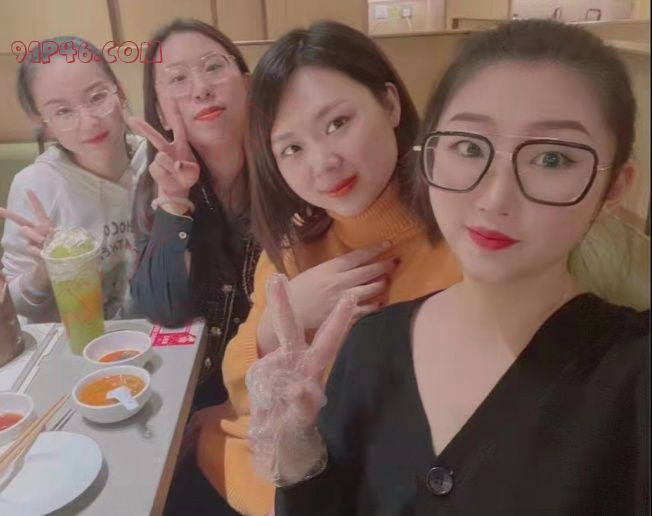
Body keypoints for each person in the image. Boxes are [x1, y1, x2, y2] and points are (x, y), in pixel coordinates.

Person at [250, 19, 650, 515]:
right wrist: (296, 455)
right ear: (432, 155)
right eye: (469, 147)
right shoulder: (368, 342)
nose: (495, 198)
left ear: (613, 190)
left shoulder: (632, 376)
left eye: (551, 158)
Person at [195, 21, 462, 515]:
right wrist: (283, 322)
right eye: (292, 148)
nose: (323, 163)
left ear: (390, 103)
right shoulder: (295, 243)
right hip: (280, 476)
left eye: (337, 123)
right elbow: (240, 389)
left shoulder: (464, 240)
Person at [126, 19, 261, 515]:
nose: (201, 87)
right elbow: (164, 309)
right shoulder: (158, 187)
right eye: (178, 79)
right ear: (163, 111)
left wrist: (230, 411)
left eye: (214, 67)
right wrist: (175, 202)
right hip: (192, 402)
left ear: (245, 80)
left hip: (270, 401)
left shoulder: (289, 168)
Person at [0, 36, 147, 323]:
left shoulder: (156, 162)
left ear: (120, 92)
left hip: (155, 334)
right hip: (73, 342)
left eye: (97, 97)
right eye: (63, 111)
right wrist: (44, 269)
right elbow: (14, 305)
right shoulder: (36, 186)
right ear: (44, 124)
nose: (89, 121)